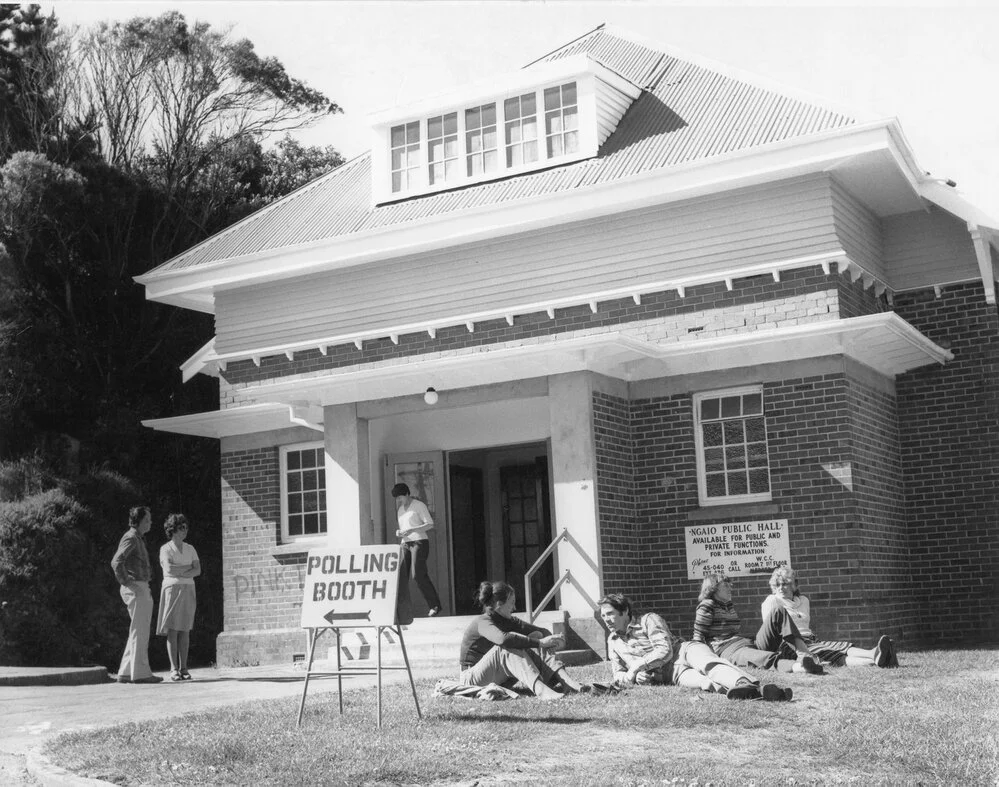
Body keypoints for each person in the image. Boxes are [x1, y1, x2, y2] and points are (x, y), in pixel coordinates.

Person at [599, 594, 792, 701]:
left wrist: (637, 666)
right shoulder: (613, 641)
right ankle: (759, 693)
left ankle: (742, 682)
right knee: (703, 682)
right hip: (669, 674)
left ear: (625, 611)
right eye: (603, 616)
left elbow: (664, 650)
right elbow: (618, 674)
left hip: (682, 651)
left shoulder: (648, 620)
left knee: (709, 665)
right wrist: (633, 677)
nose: (606, 620)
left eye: (610, 614)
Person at [458, 580, 586, 700]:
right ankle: (541, 691)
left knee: (533, 636)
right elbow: (503, 639)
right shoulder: (483, 621)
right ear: (499, 605)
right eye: (512, 603)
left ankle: (568, 683)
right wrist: (540, 642)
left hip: (498, 678)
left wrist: (550, 640)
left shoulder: (510, 620)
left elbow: (541, 631)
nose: (514, 608)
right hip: (471, 680)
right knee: (507, 646)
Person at [763, 566, 896, 667]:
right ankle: (875, 660)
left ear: (794, 585)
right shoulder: (772, 601)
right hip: (790, 644)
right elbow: (772, 629)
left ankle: (874, 654)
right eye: (777, 584)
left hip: (810, 639)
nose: (781, 588)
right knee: (831, 653)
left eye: (785, 583)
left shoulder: (803, 601)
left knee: (841, 646)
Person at [693, 573, 823, 675]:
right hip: (728, 650)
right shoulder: (706, 605)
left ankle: (804, 654)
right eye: (726, 585)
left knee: (779, 610)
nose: (730, 588)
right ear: (713, 588)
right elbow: (698, 637)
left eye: (730, 585)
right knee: (763, 658)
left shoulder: (728, 605)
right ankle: (799, 667)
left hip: (747, 644)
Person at [110, 506, 162, 684]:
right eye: (147, 520)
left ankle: (125, 672)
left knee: (137, 629)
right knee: (140, 631)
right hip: (136, 588)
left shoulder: (137, 538)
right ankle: (141, 674)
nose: (150, 523)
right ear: (138, 521)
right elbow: (116, 562)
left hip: (140, 586)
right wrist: (129, 583)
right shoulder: (131, 537)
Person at [156, 513, 201, 681]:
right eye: (182, 528)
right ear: (173, 530)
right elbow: (169, 570)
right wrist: (187, 569)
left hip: (188, 589)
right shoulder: (165, 549)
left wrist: (181, 569)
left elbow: (198, 570)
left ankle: (184, 667)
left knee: (185, 629)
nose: (185, 531)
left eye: (186, 527)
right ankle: (173, 668)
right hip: (172, 589)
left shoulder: (190, 548)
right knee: (173, 629)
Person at [392, 482, 442, 616]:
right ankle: (399, 610)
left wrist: (413, 529)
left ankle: (434, 605)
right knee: (401, 576)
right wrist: (399, 532)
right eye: (397, 498)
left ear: (407, 494)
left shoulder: (419, 506)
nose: (399, 500)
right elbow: (404, 528)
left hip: (419, 542)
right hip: (405, 544)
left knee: (418, 574)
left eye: (400, 497)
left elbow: (430, 524)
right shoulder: (400, 510)